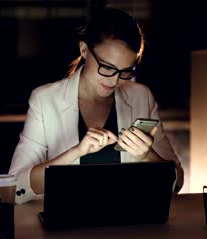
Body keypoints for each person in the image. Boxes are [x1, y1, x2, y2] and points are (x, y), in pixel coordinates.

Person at [9, 6, 184, 204]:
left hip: (129, 225)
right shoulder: (45, 100)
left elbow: (176, 183)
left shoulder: (141, 97)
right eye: (107, 67)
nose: (114, 80)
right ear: (84, 50)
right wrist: (76, 152)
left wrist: (147, 155)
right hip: (66, 226)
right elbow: (16, 188)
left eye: (125, 71)